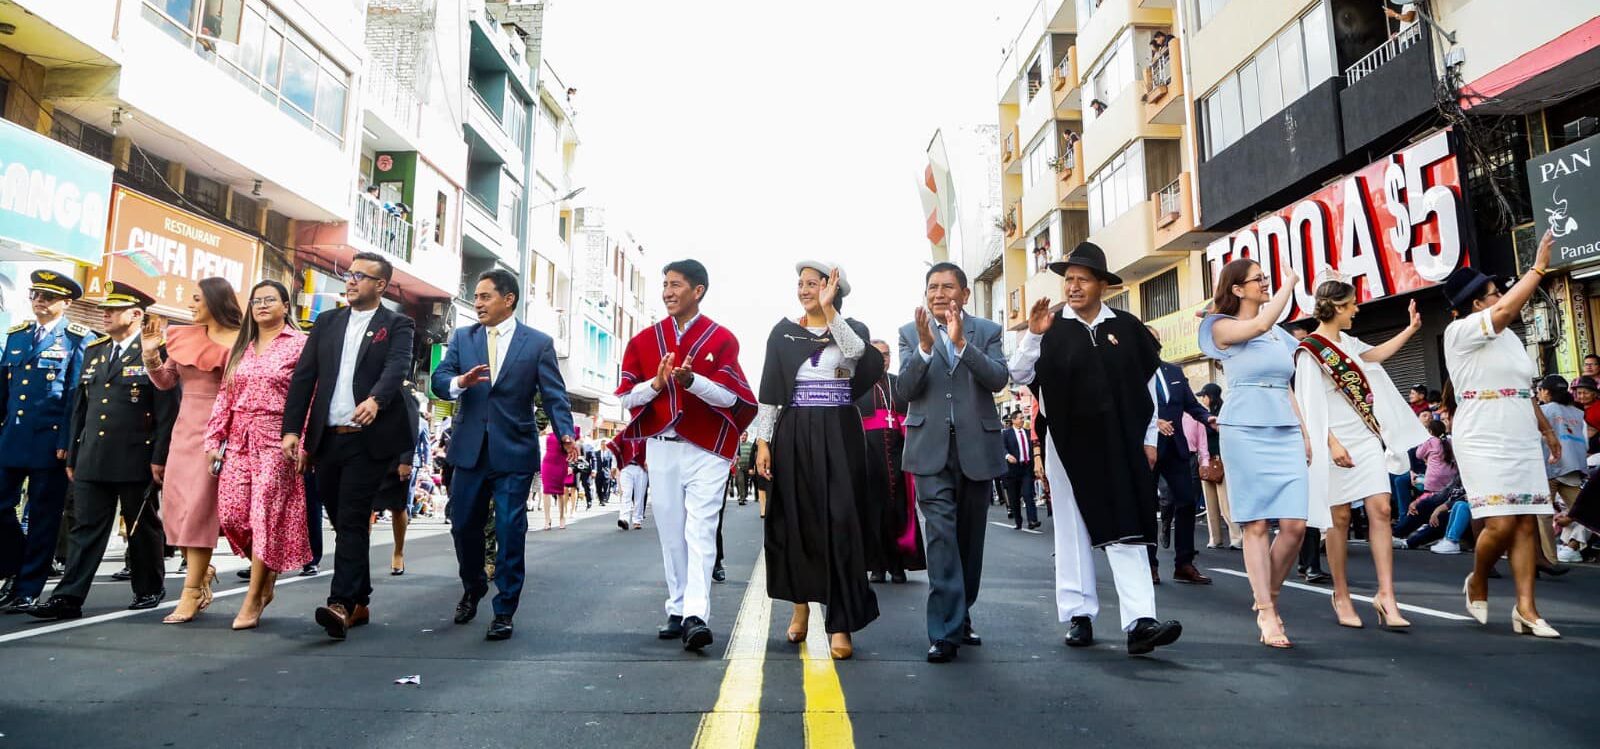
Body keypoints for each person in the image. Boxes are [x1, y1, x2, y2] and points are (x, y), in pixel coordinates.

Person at [1009, 244, 1183, 656]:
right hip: (1066, 442)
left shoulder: (1125, 326)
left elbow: (1147, 388)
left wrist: (1150, 438)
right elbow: (1017, 374)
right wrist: (1033, 335)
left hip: (1121, 440)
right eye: (1068, 279)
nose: (1072, 286)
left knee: (1129, 523)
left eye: (1082, 279)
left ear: (1102, 285)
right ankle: (1079, 614)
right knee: (1072, 528)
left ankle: (1140, 621)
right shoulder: (1049, 327)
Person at [615, 259, 756, 652]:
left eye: (676, 284)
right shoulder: (643, 341)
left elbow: (732, 397)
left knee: (701, 531)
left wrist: (692, 381)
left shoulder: (721, 338)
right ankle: (676, 608)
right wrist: (657, 383)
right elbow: (627, 396)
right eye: (664, 284)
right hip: (661, 449)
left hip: (707, 450)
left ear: (698, 291)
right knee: (672, 533)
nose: (667, 291)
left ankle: (696, 615)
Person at [431, 267, 575, 641]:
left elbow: (555, 396)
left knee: (512, 530)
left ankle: (505, 608)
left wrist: (564, 434)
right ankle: (474, 583)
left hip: (513, 450)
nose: (477, 303)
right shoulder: (463, 338)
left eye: (484, 296)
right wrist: (458, 383)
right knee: (464, 525)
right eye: (476, 297)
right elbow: (438, 381)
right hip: (469, 450)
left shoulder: (538, 343)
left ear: (507, 299)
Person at [281, 252, 416, 641]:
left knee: (354, 518)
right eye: (349, 273)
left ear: (380, 284)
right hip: (327, 439)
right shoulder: (327, 322)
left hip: (367, 441)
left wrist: (376, 399)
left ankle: (339, 603)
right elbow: (304, 379)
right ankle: (360, 598)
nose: (351, 280)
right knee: (341, 521)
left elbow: (397, 367)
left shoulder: (398, 324)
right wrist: (293, 431)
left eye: (361, 275)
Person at [753, 262, 883, 660]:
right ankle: (800, 607)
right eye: (802, 284)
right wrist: (763, 442)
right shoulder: (783, 333)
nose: (805, 289)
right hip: (794, 431)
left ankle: (841, 622)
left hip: (839, 431)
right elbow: (772, 392)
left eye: (814, 284)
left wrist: (829, 311)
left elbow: (858, 354)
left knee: (842, 522)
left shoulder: (850, 329)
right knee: (797, 518)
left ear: (831, 288)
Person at [29, 283, 176, 620]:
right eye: (104, 309)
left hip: (137, 455)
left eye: (114, 309)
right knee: (85, 527)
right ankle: (68, 597)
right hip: (93, 454)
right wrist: (75, 451)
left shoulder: (156, 351)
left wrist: (160, 456)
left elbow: (168, 409)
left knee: (141, 526)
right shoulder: (96, 349)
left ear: (136, 314)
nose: (105, 314)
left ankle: (149, 588)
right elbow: (81, 405)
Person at [1293, 277, 1429, 630]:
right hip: (1334, 438)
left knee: (1381, 508)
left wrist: (1411, 330)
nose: (1357, 309)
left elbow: (1375, 356)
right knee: (1338, 518)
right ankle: (1341, 594)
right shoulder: (1310, 351)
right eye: (1352, 304)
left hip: (1366, 436)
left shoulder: (1348, 342)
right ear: (1338, 307)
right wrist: (1332, 444)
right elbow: (1309, 405)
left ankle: (1387, 595)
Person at [1447, 230, 1561, 638]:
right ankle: (1478, 578)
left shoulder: (1510, 339)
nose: (1502, 297)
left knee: (1527, 522)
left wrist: (1547, 430)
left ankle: (1526, 610)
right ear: (1476, 304)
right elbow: (1505, 312)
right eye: (1495, 293)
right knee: (1500, 524)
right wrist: (1538, 268)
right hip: (1481, 433)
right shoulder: (1459, 333)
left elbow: (1523, 389)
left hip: (1519, 431)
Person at [898, 262, 1008, 663]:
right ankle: (943, 630)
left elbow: (998, 379)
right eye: (932, 287)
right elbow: (904, 390)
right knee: (941, 538)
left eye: (947, 287)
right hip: (929, 450)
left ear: (964, 293)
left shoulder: (988, 332)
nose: (939, 294)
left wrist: (962, 345)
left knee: (968, 541)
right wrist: (926, 349)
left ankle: (961, 614)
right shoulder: (911, 333)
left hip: (976, 449)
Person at [1198, 258, 1309, 649]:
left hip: (1284, 428)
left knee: (1295, 525)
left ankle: (1269, 597)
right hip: (1244, 429)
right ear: (1237, 289)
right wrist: (1290, 283)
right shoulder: (1221, 328)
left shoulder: (1280, 335)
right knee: (1256, 525)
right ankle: (1266, 610)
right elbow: (1258, 324)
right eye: (1258, 279)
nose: (1265, 282)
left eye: (1268, 277)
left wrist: (1305, 432)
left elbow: (1287, 385)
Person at [204, 279, 310, 629]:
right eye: (256, 300)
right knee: (233, 515)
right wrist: (213, 440)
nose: (262, 305)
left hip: (279, 440)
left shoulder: (300, 345)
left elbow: (309, 398)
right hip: (238, 439)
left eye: (270, 299)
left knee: (265, 515)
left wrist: (302, 440)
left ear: (285, 306)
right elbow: (225, 396)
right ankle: (267, 576)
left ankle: (253, 598)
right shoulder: (242, 346)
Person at [143, 277, 241, 623]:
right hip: (183, 431)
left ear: (215, 301)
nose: (190, 304)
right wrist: (151, 355)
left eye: (197, 299)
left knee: (199, 510)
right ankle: (203, 573)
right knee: (177, 507)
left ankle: (190, 592)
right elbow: (166, 382)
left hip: (219, 431)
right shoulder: (181, 336)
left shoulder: (242, 340)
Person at [0, 272, 91, 613]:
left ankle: (27, 587)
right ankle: (13, 566)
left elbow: (74, 398)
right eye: (36, 294)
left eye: (48, 297)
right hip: (13, 437)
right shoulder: (17, 336)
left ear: (66, 303)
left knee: (42, 516)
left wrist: (67, 441)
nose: (39, 301)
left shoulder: (77, 339)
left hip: (50, 441)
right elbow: (4, 391)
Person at [1146, 326, 1216, 584]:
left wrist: (1208, 418)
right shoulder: (1129, 373)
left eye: (1155, 340)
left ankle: (1184, 564)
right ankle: (1149, 565)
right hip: (1147, 449)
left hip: (1176, 447)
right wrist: (1154, 423)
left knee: (1186, 500)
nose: (1152, 345)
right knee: (1146, 508)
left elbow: (1191, 404)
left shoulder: (1174, 371)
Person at [857, 338, 925, 583]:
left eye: (886, 355)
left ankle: (898, 565)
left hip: (898, 460)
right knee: (873, 512)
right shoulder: (858, 385)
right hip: (869, 460)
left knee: (898, 512)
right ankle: (877, 566)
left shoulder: (899, 385)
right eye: (878, 354)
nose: (883, 359)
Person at [371, 388, 424, 576]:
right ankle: (359, 555)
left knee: (398, 507)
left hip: (395, 459)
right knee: (364, 508)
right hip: (369, 458)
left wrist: (405, 460)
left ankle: (398, 552)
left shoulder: (404, 394)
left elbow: (411, 428)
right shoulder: (367, 386)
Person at [1536, 375, 1587, 565]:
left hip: (1548, 467)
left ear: (1546, 392)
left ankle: (1550, 559)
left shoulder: (1542, 411)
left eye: (1540, 390)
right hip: (1573, 467)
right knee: (1587, 511)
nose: (1539, 393)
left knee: (1543, 515)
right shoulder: (1577, 413)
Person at [1196, 383, 1239, 550]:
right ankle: (1215, 538)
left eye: (1204, 396)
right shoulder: (1204, 415)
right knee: (1210, 503)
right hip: (1206, 460)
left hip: (1220, 460)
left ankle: (1236, 537)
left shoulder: (1222, 413)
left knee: (1225, 502)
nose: (1202, 399)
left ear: (1211, 396)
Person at [999, 411, 1040, 531]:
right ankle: (1018, 521)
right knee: (1014, 497)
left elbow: (1033, 448)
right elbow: (1001, 448)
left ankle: (1032, 520)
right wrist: (1007, 456)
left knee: (1028, 494)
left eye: (1023, 418)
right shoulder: (1006, 434)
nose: (1023, 420)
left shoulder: (1028, 433)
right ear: (1013, 420)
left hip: (1026, 468)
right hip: (1012, 470)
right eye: (1020, 418)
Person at [611, 438, 648, 530]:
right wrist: (614, 466)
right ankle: (624, 519)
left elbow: (652, 449)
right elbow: (616, 449)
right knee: (626, 493)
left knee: (639, 495)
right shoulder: (624, 434)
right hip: (626, 467)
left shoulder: (645, 435)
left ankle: (637, 520)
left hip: (641, 468)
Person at [540, 426, 569, 530]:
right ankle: (547, 519)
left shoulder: (566, 427)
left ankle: (562, 517)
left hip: (561, 462)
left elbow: (574, 438)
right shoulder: (547, 427)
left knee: (560, 492)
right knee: (546, 491)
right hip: (547, 462)